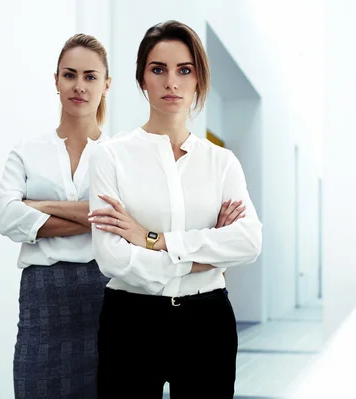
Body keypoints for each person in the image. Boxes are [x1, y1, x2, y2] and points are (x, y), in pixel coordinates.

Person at [88, 20, 263, 398]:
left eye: (185, 70)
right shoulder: (110, 156)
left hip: (207, 323)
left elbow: (249, 241)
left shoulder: (222, 162)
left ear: (199, 79)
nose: (172, 82)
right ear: (142, 80)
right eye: (158, 69)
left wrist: (152, 239)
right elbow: (112, 258)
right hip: (130, 321)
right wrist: (208, 252)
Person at [0, 33, 111, 398]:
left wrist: (39, 207)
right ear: (57, 80)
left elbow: (126, 221)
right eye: (70, 75)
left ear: (107, 85)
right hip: (42, 301)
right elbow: (7, 219)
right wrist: (96, 217)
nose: (79, 86)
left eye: (90, 76)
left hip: (107, 294)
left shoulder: (120, 155)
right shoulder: (27, 150)